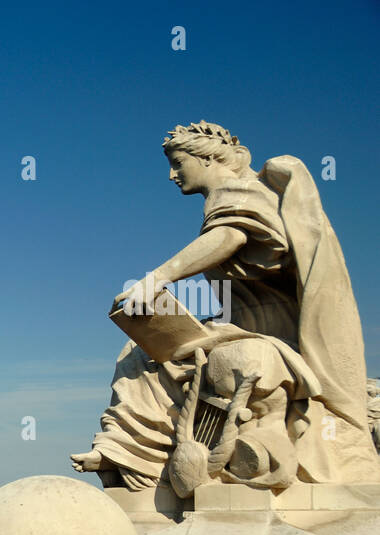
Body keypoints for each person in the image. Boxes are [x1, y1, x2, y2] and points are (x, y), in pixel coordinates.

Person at [72, 121, 379, 489]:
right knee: (139, 353)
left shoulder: (244, 192)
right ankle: (123, 451)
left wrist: (157, 278)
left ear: (207, 158)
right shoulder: (228, 200)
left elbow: (229, 237)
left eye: (178, 163)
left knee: (157, 357)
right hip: (237, 327)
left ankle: (179, 457)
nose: (172, 175)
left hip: (278, 337)